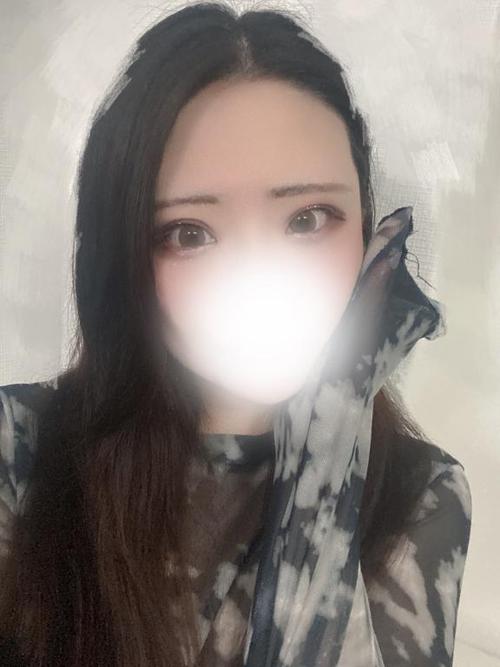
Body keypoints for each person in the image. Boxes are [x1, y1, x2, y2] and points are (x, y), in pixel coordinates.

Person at [0, 2, 471, 666]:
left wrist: (332, 429)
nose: (259, 280)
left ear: (368, 234)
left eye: (308, 219)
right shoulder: (19, 449)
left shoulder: (421, 492)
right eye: (189, 233)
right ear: (127, 257)